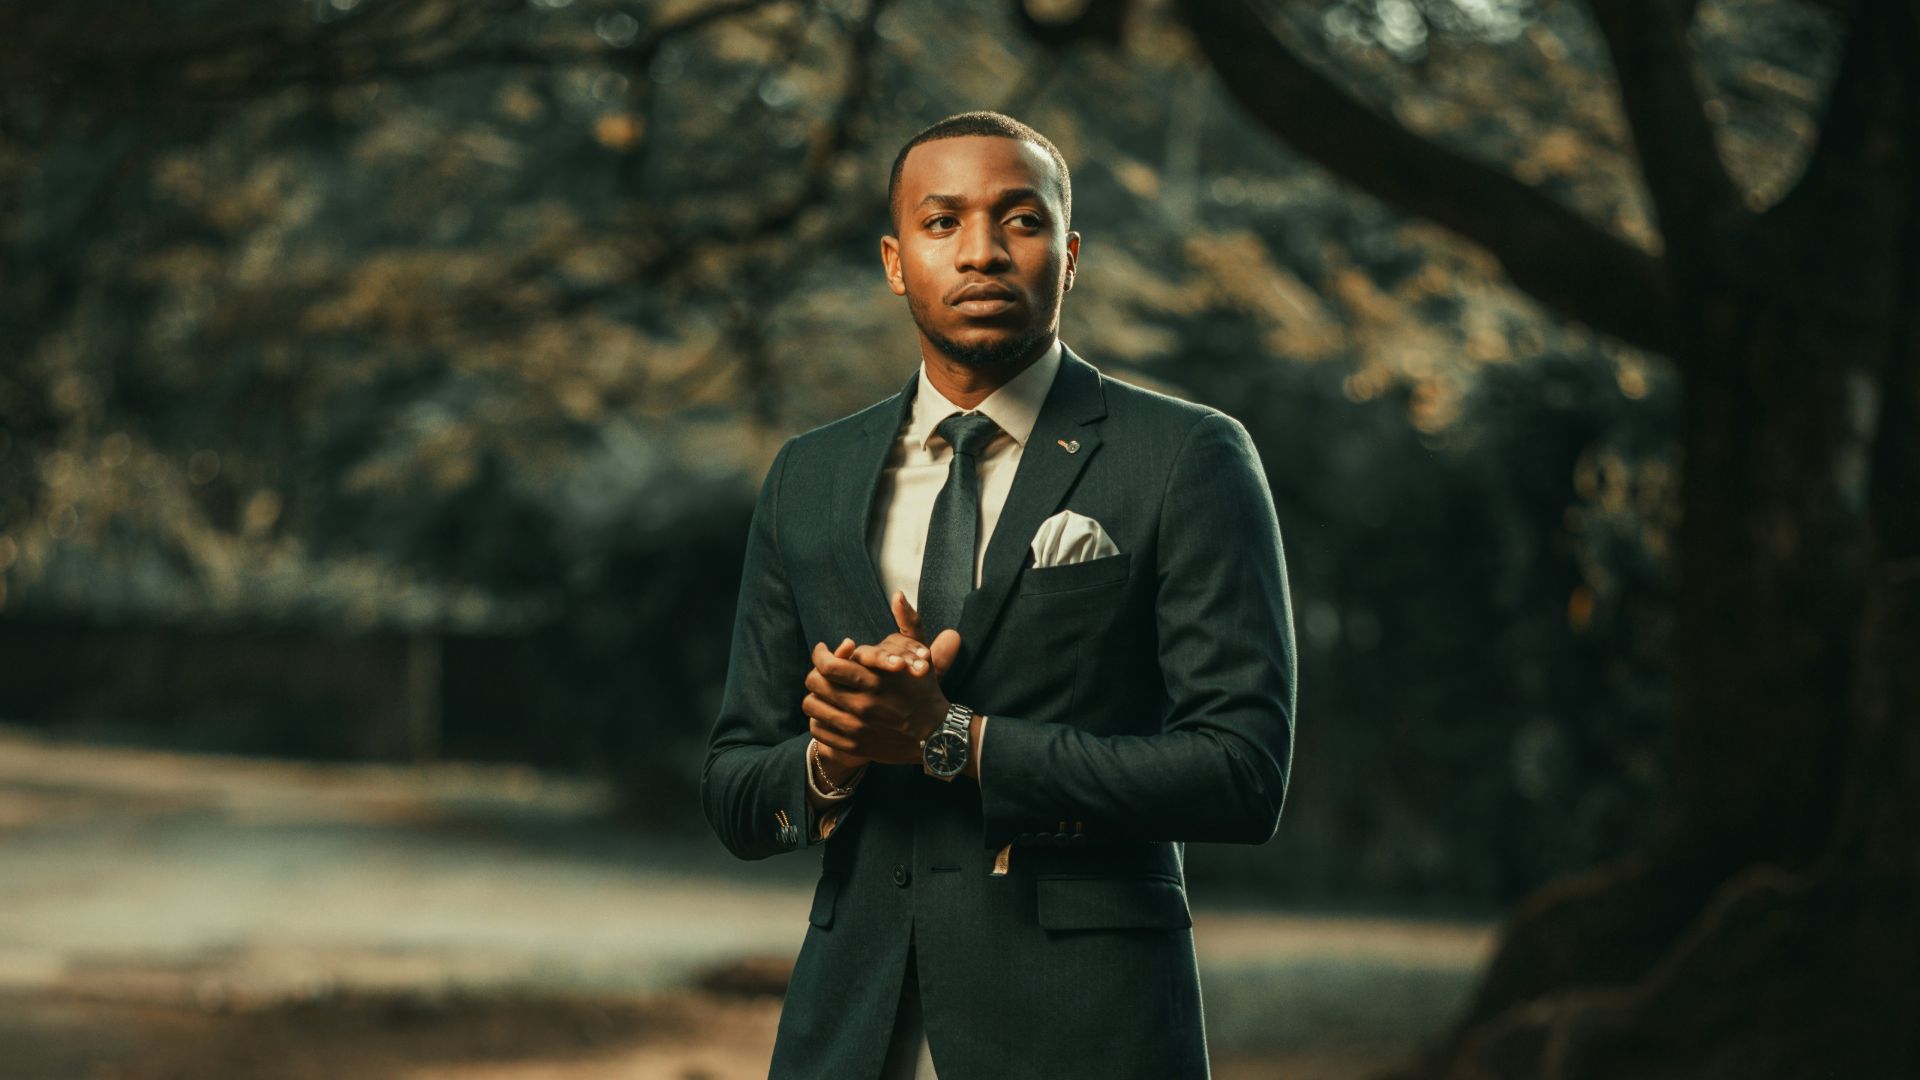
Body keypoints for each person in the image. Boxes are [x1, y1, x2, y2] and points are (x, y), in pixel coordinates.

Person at [701, 110, 1296, 1079]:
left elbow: (1241, 774)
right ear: (896, 263)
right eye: (942, 224)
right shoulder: (807, 477)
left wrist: (957, 740)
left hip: (1089, 1028)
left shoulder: (1186, 457)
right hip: (849, 1030)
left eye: (1019, 221)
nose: (980, 252)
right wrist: (835, 753)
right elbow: (733, 788)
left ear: (1068, 257)